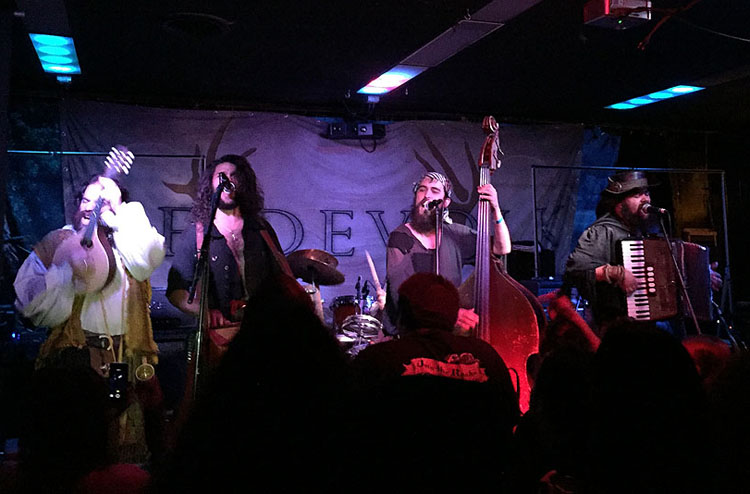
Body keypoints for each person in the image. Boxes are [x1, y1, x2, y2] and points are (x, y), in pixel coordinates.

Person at [13, 174, 166, 465]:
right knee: (80, 438)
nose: (90, 208)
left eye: (101, 202)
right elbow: (29, 303)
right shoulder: (60, 241)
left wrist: (118, 209)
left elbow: (148, 258)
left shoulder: (127, 242)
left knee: (125, 428)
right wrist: (65, 271)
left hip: (122, 357)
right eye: (86, 200)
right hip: (78, 360)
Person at [352, 273, 520, 490]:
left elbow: (350, 428)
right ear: (452, 316)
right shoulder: (486, 356)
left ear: (403, 315)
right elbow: (509, 422)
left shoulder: (378, 359)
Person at [167, 154, 290, 363]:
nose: (228, 180)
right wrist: (205, 312)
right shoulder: (197, 234)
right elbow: (176, 291)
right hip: (220, 341)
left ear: (243, 183)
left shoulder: (261, 229)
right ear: (211, 184)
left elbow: (281, 281)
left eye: (234, 176)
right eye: (221, 175)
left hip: (262, 335)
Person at [380, 171, 511, 334]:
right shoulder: (400, 237)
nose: (427, 195)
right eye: (422, 189)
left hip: (444, 331)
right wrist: (450, 314)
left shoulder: (455, 235)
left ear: (445, 202)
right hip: (408, 332)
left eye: (435, 191)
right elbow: (401, 293)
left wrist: (495, 209)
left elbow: (502, 248)